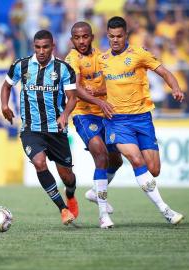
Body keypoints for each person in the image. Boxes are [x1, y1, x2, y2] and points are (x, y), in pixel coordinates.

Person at [99, 16, 184, 225]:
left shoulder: (139, 54)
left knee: (153, 169)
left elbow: (164, 71)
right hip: (116, 120)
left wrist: (175, 87)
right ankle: (166, 211)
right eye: (111, 36)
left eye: (119, 36)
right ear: (107, 36)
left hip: (142, 118)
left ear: (125, 35)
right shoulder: (101, 59)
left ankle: (97, 189)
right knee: (136, 160)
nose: (115, 40)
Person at [1, 30, 78, 225]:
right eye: (37, 47)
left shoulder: (64, 69)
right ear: (33, 47)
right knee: (39, 163)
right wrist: (4, 105)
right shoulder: (21, 65)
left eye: (45, 47)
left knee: (67, 176)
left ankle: (70, 195)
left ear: (52, 46)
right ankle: (63, 209)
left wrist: (64, 115)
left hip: (56, 129)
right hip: (31, 128)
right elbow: (6, 85)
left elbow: (72, 99)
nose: (41, 51)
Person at [65, 21, 122, 229]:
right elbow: (77, 88)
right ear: (72, 40)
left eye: (85, 37)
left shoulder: (102, 57)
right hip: (84, 114)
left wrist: (98, 94)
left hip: (105, 113)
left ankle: (94, 192)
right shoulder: (71, 59)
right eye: (77, 38)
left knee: (116, 160)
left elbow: (110, 84)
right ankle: (103, 215)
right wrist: (98, 99)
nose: (81, 41)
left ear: (92, 37)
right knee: (100, 154)